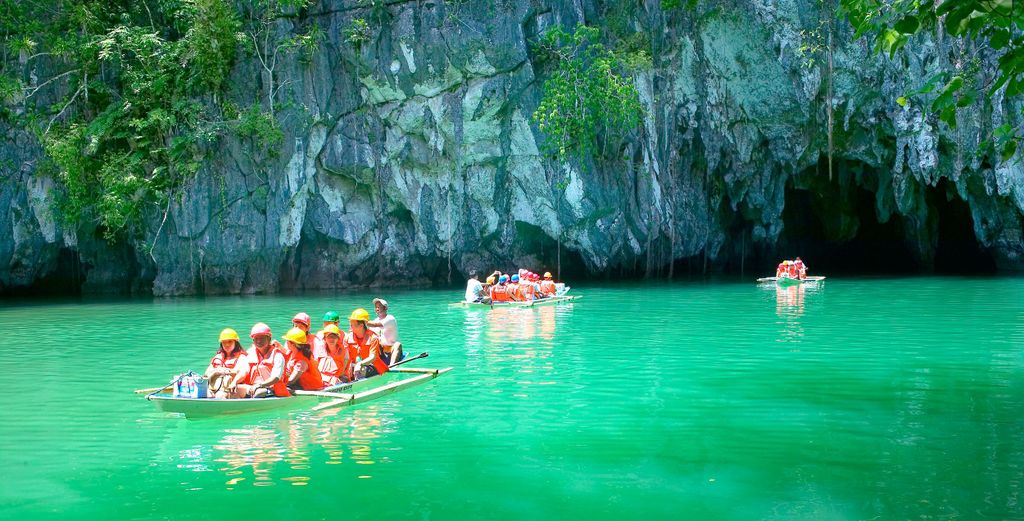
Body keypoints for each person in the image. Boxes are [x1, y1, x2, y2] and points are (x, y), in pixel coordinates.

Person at [227, 323, 289, 398]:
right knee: (231, 390)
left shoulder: (278, 355)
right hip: (253, 387)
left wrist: (260, 385)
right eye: (256, 339)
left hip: (271, 389)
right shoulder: (250, 353)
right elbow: (244, 371)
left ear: (269, 339)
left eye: (262, 338)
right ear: (253, 340)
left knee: (259, 392)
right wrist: (234, 382)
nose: (259, 341)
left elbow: (275, 378)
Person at [345, 308, 388, 380]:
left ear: (361, 326)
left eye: (352, 325)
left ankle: (358, 385)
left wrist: (360, 364)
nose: (350, 328)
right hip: (355, 366)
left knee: (362, 369)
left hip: (372, 366)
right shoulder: (348, 337)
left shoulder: (373, 338)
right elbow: (345, 357)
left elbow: (372, 357)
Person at [205, 328, 246, 398]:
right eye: (224, 342)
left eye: (230, 341)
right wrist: (216, 371)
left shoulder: (241, 357)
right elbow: (206, 374)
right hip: (216, 386)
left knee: (220, 395)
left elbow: (239, 372)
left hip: (232, 388)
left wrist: (224, 371)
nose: (227, 344)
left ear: (235, 342)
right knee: (206, 393)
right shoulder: (218, 357)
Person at [368, 298, 403, 366]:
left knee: (397, 344)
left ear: (385, 308)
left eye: (379, 306)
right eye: (376, 307)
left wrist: (361, 322)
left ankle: (392, 366)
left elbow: (376, 325)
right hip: (381, 351)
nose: (377, 309)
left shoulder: (390, 318)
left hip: (392, 350)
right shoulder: (375, 320)